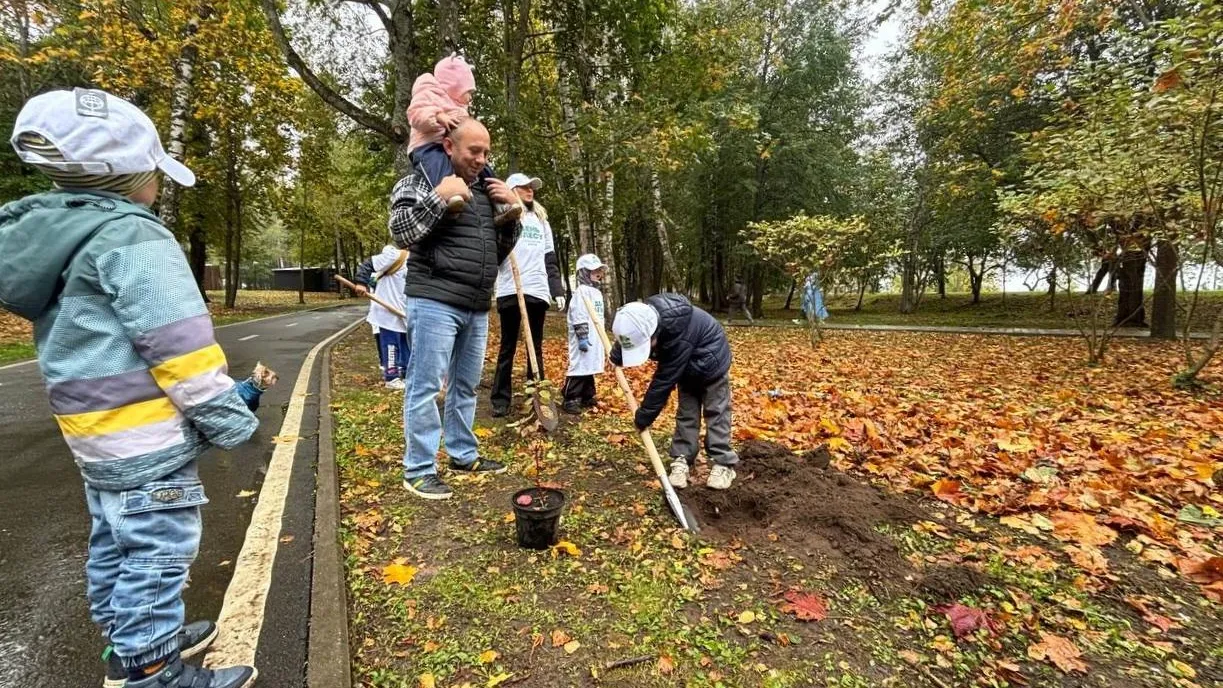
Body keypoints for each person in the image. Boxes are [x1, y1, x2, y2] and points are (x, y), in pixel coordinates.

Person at [0, 88, 261, 688]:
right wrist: (228, 417)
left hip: (95, 436)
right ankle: (151, 670)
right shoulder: (135, 240)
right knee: (158, 552)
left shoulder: (60, 241)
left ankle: (134, 641)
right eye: (154, 173)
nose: (158, 187)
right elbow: (179, 346)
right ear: (129, 176)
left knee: (116, 542)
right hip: (146, 439)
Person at [389, 119, 522, 500]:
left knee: (465, 385)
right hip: (433, 300)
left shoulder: (486, 190)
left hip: (476, 304)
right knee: (426, 386)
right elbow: (401, 231)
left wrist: (512, 211)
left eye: (486, 152)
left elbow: (498, 252)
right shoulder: (420, 180)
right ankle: (418, 469)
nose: (481, 159)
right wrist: (438, 198)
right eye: (473, 151)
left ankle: (463, 455)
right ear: (449, 146)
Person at [610, 293, 738, 491]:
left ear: (655, 333)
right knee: (687, 413)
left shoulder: (679, 335)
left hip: (712, 364)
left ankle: (723, 463)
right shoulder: (641, 317)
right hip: (687, 369)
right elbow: (631, 333)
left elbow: (663, 381)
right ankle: (683, 458)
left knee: (716, 412)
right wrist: (619, 353)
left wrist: (644, 416)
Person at [407, 53, 521, 225]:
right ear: (455, 86)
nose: (470, 97)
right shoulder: (430, 93)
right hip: (426, 146)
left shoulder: (460, 107)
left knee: (488, 172)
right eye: (468, 91)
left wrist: (512, 204)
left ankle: (499, 204)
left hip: (445, 147)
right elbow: (416, 114)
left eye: (485, 152)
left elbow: (503, 244)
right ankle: (450, 197)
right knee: (438, 168)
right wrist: (438, 116)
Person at [489, 173, 565, 417]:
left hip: (537, 290)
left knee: (536, 347)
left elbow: (550, 258)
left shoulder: (542, 221)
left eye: (532, 187)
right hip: (511, 288)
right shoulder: (504, 215)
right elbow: (495, 253)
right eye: (523, 187)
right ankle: (500, 399)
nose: (530, 190)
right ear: (512, 190)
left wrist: (557, 289)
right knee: (507, 346)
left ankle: (538, 397)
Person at [354, 245, 409, 389]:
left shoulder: (421, 261)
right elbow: (367, 265)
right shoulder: (396, 256)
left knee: (406, 346)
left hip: (404, 312)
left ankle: (406, 373)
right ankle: (391, 378)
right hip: (387, 311)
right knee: (391, 345)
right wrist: (361, 283)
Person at [563, 254, 607, 414]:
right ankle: (571, 397)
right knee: (580, 366)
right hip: (584, 336)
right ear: (584, 272)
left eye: (599, 270)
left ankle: (587, 394)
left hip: (595, 336)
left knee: (590, 365)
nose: (598, 273)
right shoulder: (581, 292)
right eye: (594, 270)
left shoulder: (596, 293)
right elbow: (579, 314)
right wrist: (582, 336)